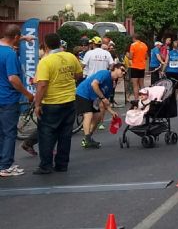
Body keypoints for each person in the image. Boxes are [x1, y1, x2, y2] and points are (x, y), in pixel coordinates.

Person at [31, 33, 84, 174]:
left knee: (47, 135)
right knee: (65, 135)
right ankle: (62, 164)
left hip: (51, 103)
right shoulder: (70, 56)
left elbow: (42, 85)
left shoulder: (45, 61)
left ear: (46, 45)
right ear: (59, 44)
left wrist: (37, 104)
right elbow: (79, 75)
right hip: (70, 101)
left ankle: (46, 166)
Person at [0, 25, 35, 177]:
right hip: (8, 99)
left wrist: (23, 38)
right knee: (9, 133)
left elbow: (9, 37)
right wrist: (27, 94)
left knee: (1, 133)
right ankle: (6, 166)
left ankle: (2, 162)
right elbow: (13, 78)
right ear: (15, 37)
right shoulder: (10, 55)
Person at [77, 64, 124, 148]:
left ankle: (87, 138)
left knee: (98, 116)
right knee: (88, 114)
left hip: (93, 98)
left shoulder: (111, 84)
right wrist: (102, 98)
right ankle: (87, 139)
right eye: (122, 70)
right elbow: (94, 84)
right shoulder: (105, 73)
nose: (123, 73)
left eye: (125, 72)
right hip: (83, 93)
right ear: (115, 68)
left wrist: (111, 111)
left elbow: (105, 100)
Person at [128, 33, 148, 99]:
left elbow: (130, 57)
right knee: (142, 84)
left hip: (135, 67)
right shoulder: (144, 45)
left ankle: (136, 99)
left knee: (135, 85)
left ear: (134, 38)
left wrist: (127, 55)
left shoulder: (133, 45)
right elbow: (146, 57)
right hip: (142, 66)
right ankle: (144, 98)